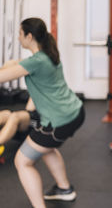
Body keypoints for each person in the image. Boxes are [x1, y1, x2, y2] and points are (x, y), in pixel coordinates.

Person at [0, 18, 85, 208]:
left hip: (59, 121)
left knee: (22, 161)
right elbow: (16, 64)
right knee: (45, 148)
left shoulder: (36, 62)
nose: (18, 37)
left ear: (29, 36)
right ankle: (64, 189)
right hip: (74, 112)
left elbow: (3, 76)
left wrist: (9, 66)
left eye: (20, 34)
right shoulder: (47, 54)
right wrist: (11, 63)